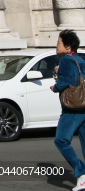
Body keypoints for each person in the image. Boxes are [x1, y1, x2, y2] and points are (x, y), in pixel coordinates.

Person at [53, 29, 85, 191]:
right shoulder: (81, 59)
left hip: (73, 108)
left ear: (67, 46)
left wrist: (55, 86)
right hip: (84, 106)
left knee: (61, 140)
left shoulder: (66, 61)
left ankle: (81, 172)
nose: (56, 45)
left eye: (58, 42)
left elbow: (68, 81)